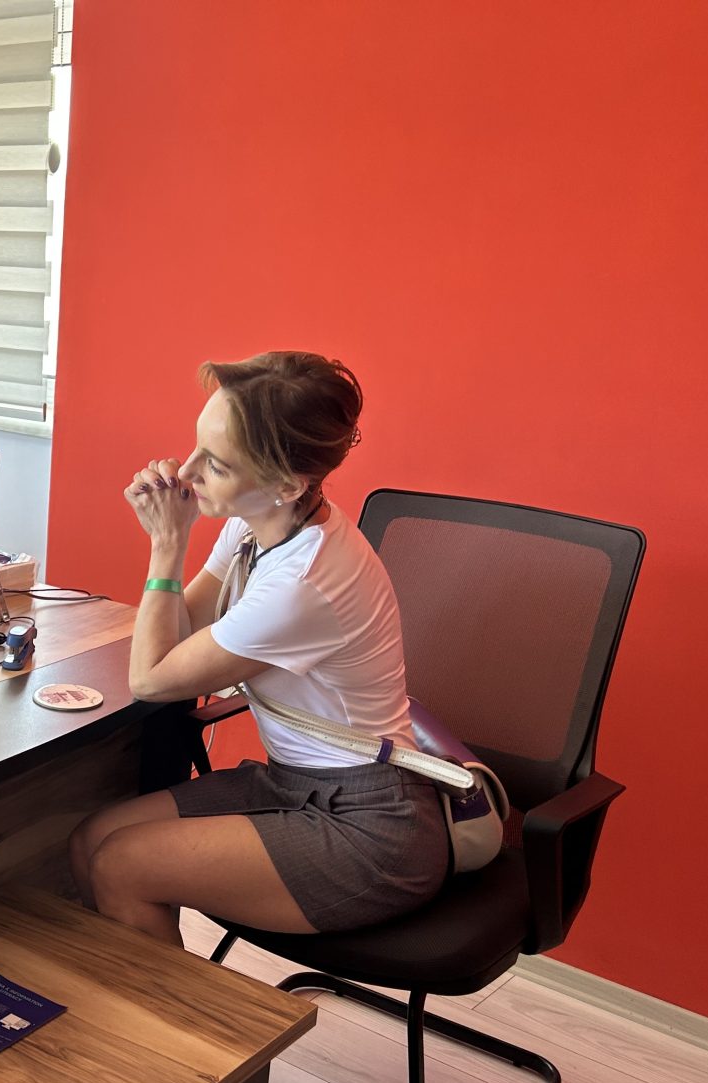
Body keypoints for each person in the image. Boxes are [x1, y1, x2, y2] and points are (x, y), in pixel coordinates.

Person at [68, 352, 447, 942]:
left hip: (370, 824)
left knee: (122, 865)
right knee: (91, 839)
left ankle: (175, 1007)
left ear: (286, 485)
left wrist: (167, 544)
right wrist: (177, 543)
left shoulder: (303, 584)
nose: (187, 471)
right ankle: (139, 996)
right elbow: (184, 632)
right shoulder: (258, 525)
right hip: (293, 784)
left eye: (215, 465)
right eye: (196, 446)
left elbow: (150, 679)